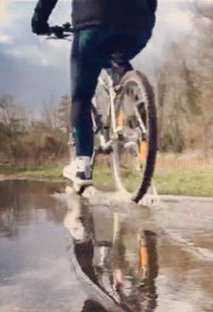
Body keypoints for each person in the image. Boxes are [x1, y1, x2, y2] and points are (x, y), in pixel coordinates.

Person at [31, 0, 157, 187]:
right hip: (139, 26)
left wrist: (39, 23)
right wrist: (145, 16)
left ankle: (82, 165)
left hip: (93, 23)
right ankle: (133, 107)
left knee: (81, 96)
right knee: (118, 60)